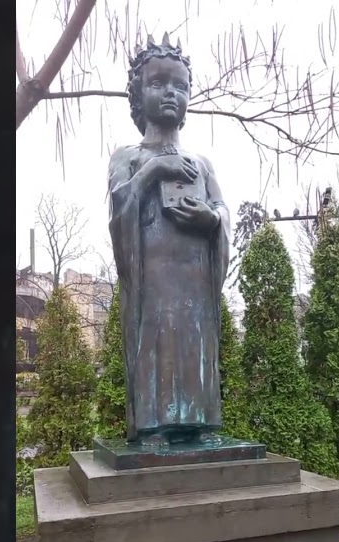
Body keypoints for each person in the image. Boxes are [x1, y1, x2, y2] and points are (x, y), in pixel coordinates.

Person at [107, 34, 231, 448]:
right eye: (158, 83)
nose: (170, 93)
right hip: (152, 281)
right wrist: (152, 172)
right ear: (138, 95)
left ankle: (199, 425)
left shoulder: (203, 164)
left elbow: (222, 213)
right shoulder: (128, 156)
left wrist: (211, 219)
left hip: (195, 280)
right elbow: (118, 209)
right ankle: (152, 427)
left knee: (195, 341)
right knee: (156, 341)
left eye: (180, 86)